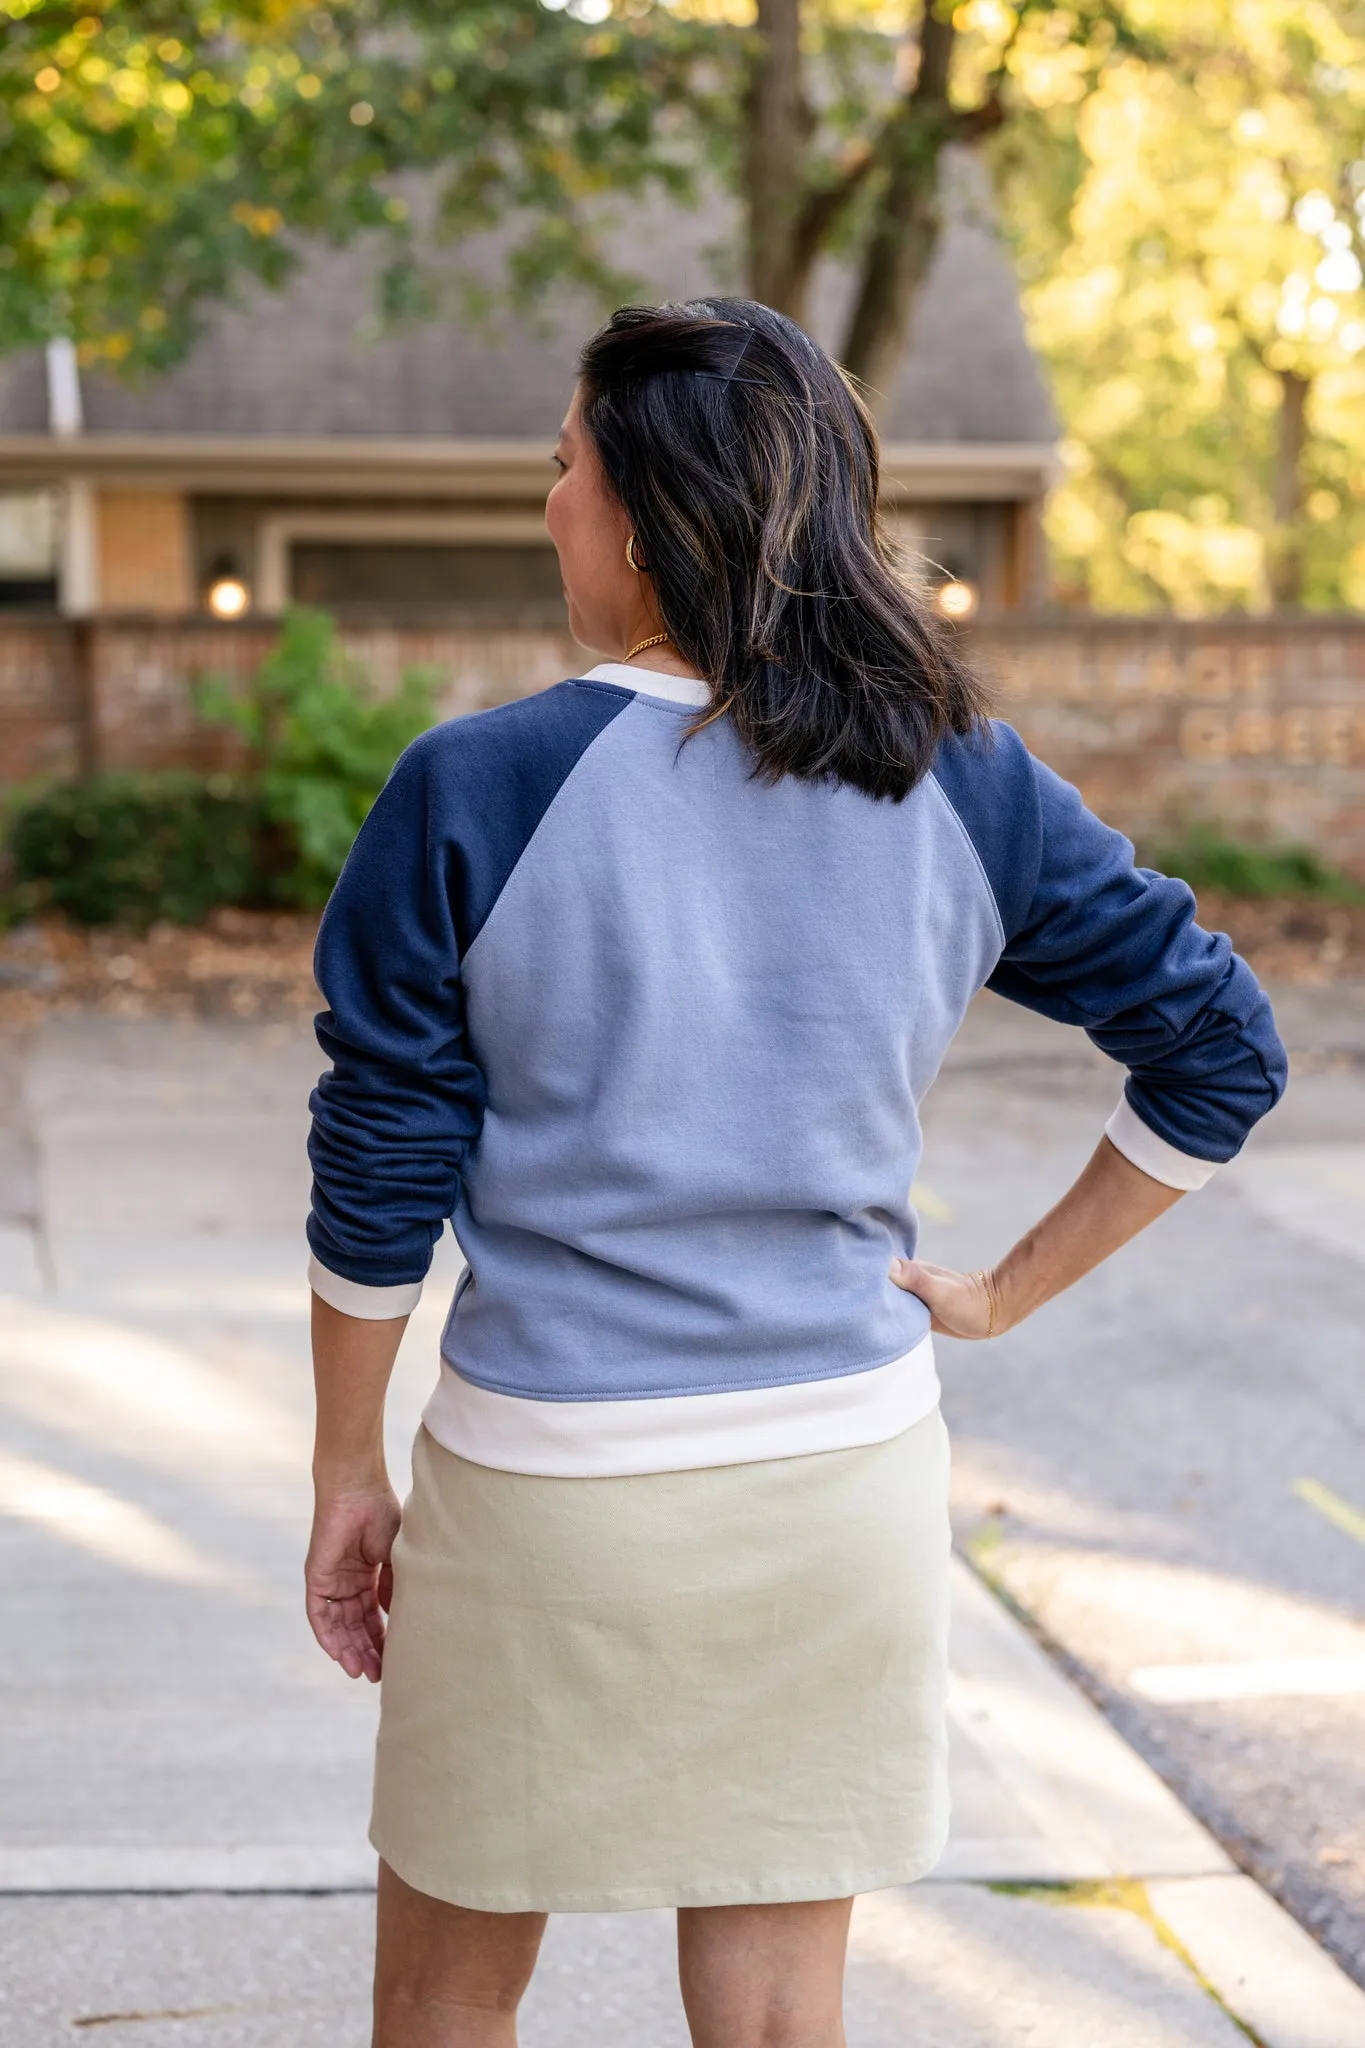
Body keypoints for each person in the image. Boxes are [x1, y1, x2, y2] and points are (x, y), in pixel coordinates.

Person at [303, 299, 1286, 2048]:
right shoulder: (957, 778)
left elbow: (383, 1165)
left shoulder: (471, 788)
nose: (546, 506)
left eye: (560, 465)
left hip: (550, 1489)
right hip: (836, 1478)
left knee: (445, 2000)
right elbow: (1221, 1050)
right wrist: (1002, 1295)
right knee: (773, 2020)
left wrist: (344, 1471)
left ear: (642, 508)